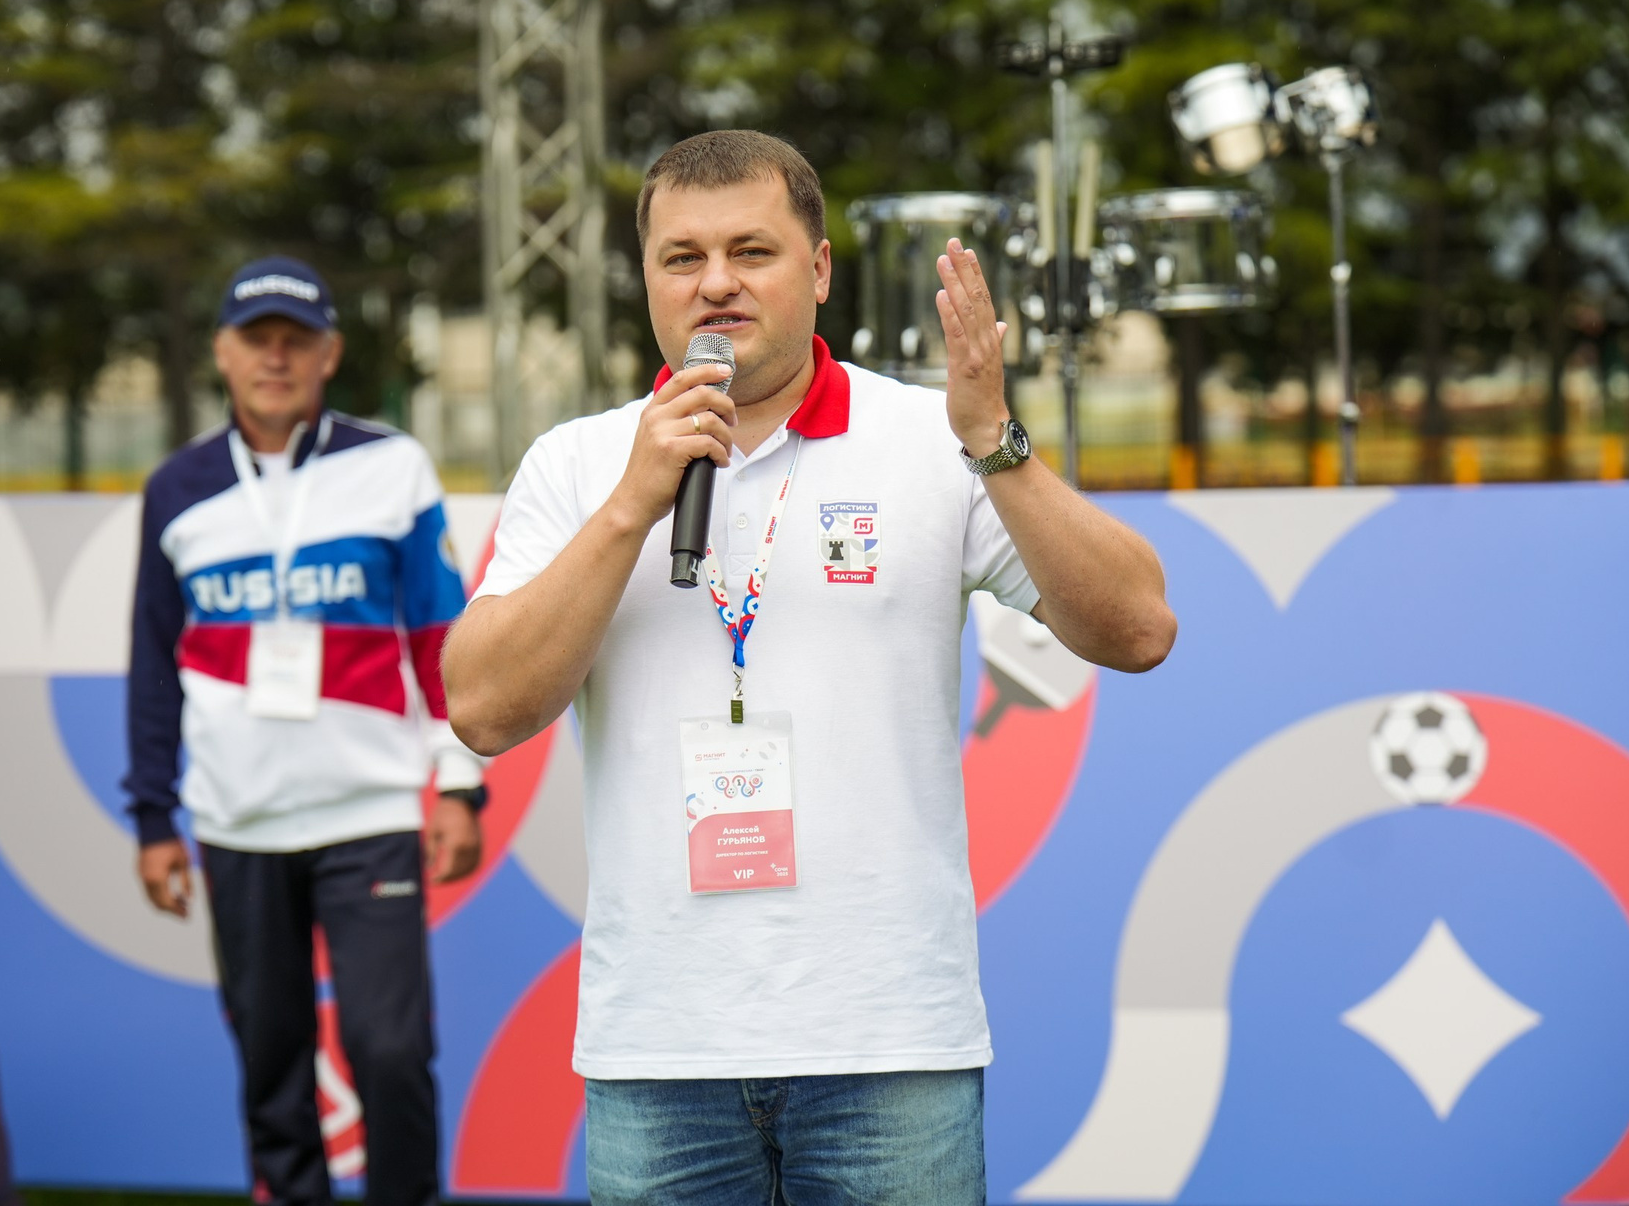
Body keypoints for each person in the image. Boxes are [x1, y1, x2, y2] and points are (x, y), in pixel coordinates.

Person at [442, 131, 1176, 1204]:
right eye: (683, 257)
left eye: (752, 250)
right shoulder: (581, 462)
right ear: (646, 279)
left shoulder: (934, 436)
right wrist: (634, 503)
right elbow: (481, 706)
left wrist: (995, 438)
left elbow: (1140, 627)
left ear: (820, 269)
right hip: (661, 1047)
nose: (717, 283)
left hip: (891, 1042)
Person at [123, 255, 485, 1206]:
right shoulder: (177, 488)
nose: (275, 358)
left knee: (390, 1050)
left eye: (296, 339)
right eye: (257, 339)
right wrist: (154, 817)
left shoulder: (391, 466)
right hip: (237, 820)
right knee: (271, 1061)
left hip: (368, 812)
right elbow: (153, 666)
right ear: (222, 352)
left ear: (330, 353)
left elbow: (441, 637)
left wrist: (458, 782)